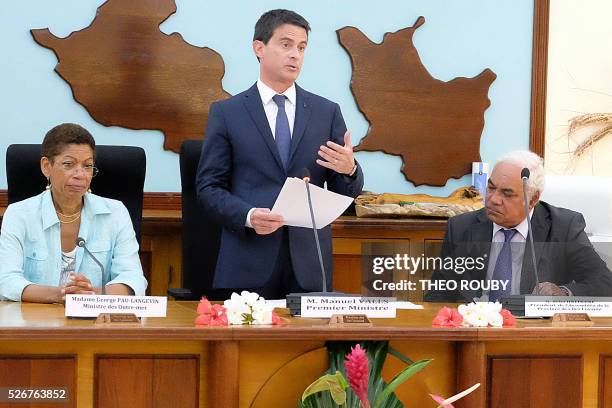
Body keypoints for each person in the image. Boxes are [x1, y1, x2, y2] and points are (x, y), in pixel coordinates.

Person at [196, 9, 364, 299]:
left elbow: (342, 192)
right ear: (259, 48)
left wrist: (349, 169)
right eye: (286, 45)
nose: (295, 55)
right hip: (248, 260)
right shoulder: (227, 113)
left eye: (301, 47)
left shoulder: (327, 112)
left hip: (310, 264)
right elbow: (208, 187)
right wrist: (248, 216)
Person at [424, 150, 612, 302]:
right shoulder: (461, 227)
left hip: (536, 336)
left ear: (533, 199)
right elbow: (439, 293)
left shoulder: (563, 227)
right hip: (477, 332)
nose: (494, 199)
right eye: (491, 188)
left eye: (507, 193)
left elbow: (603, 282)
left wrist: (563, 293)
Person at [0, 123, 147, 303]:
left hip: (96, 324)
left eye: (87, 166)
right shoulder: (19, 215)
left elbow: (133, 279)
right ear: (46, 166)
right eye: (69, 164)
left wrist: (91, 294)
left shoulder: (115, 213)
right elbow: (6, 282)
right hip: (35, 323)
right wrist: (62, 295)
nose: (80, 175)